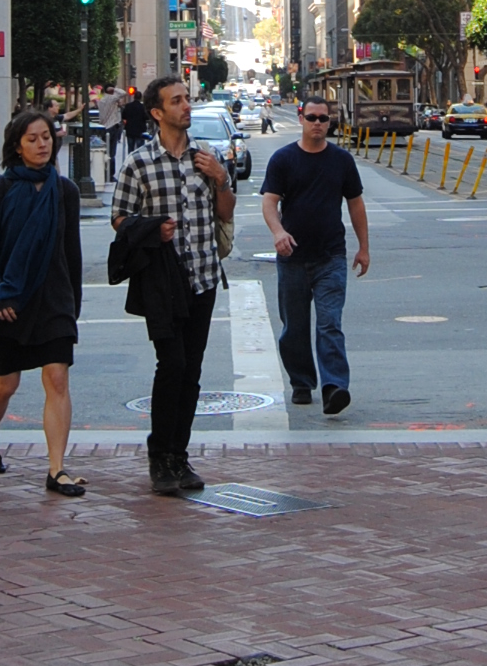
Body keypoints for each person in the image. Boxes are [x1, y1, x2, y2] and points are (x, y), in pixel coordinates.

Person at [110, 74, 233, 494]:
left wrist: (220, 177)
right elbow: (119, 218)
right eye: (176, 101)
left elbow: (226, 212)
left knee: (192, 370)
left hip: (203, 277)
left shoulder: (207, 157)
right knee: (172, 364)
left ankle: (179, 456)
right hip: (162, 281)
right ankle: (160, 455)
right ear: (157, 113)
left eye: (186, 98)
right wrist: (151, 229)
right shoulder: (139, 163)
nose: (186, 106)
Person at [0, 106, 86, 495]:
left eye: (46, 137)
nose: (42, 144)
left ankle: (56, 469)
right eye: (32, 139)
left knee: (57, 376)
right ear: (17, 146)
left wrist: (74, 303)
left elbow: (71, 251)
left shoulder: (65, 191)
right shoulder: (1, 189)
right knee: (6, 383)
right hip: (10, 299)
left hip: (54, 298)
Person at [260, 100, 369, 416]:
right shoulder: (283, 159)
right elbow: (269, 203)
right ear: (302, 119)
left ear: (330, 122)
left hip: (330, 256)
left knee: (329, 323)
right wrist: (278, 232)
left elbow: (356, 204)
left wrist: (364, 247)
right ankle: (301, 382)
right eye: (312, 117)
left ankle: (334, 386)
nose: (317, 123)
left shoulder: (341, 160)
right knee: (294, 327)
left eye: (323, 118)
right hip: (292, 258)